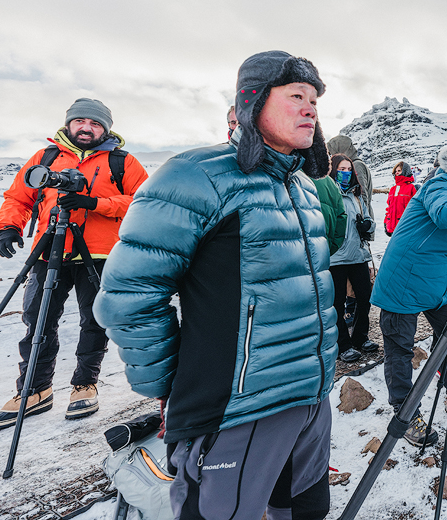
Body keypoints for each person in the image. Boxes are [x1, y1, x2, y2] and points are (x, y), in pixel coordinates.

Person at [95, 51, 338, 519]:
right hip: (239, 409)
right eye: (295, 97)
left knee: (306, 511)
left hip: (310, 400)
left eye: (314, 100)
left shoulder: (303, 187)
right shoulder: (196, 176)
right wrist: (175, 386)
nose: (310, 108)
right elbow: (129, 298)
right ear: (253, 102)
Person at [0, 99, 149, 429]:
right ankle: (35, 390)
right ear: (69, 125)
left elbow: (144, 201)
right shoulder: (46, 158)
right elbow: (18, 197)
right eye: (80, 121)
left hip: (102, 252)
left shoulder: (122, 161)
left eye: (94, 124)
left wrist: (95, 202)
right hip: (51, 247)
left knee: (94, 319)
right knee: (37, 317)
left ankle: (84, 384)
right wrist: (8, 227)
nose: (86, 128)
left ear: (105, 129)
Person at [370, 145, 447, 447]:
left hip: (436, 282)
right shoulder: (440, 183)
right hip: (403, 280)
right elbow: (444, 216)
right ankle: (405, 416)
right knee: (400, 350)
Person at [329, 154, 379, 364]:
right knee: (337, 304)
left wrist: (368, 226)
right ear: (333, 171)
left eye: (349, 169)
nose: (346, 173)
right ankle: (343, 345)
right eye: (342, 169)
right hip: (336, 258)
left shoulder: (357, 196)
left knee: (365, 298)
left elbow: (368, 218)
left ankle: (360, 337)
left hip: (358, 255)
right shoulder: (330, 196)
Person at [384, 161, 417, 237]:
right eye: (396, 171)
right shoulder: (392, 189)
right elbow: (389, 208)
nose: (397, 173)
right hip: (392, 228)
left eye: (399, 171)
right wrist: (386, 222)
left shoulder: (411, 188)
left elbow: (415, 208)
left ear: (405, 171)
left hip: (406, 227)